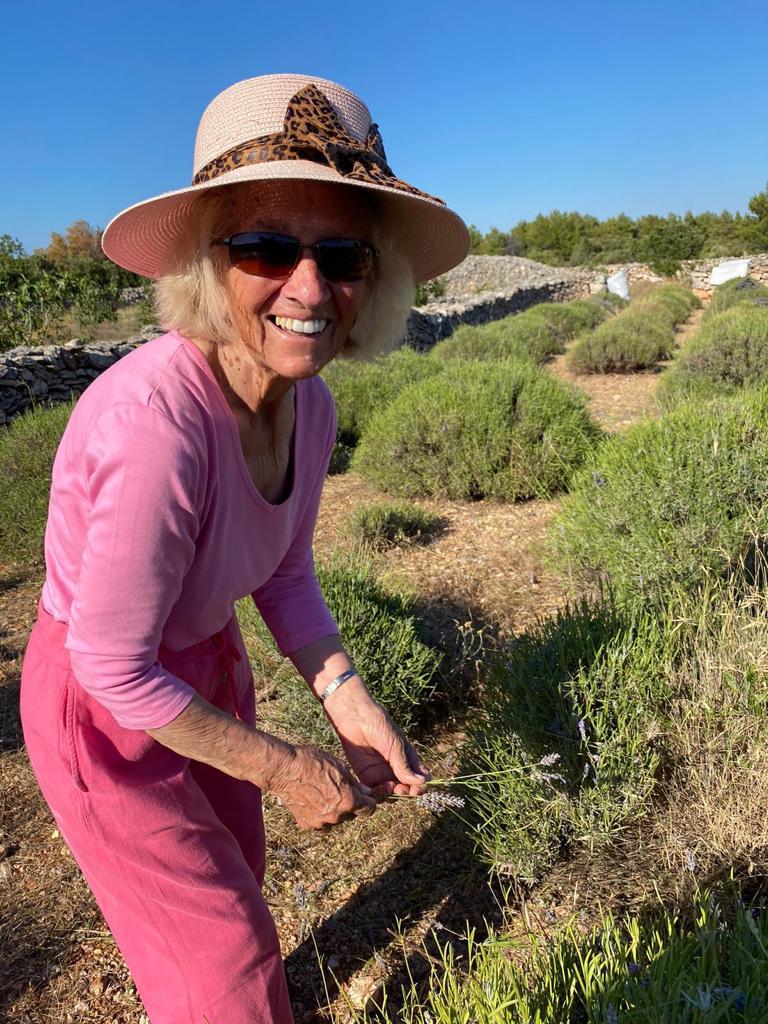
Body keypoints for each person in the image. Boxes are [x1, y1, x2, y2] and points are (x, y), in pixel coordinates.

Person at [20, 73, 469, 1023]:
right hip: (103, 706)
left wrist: (349, 704)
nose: (310, 288)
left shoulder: (309, 406)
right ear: (205, 265)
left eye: (342, 254)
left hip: (203, 667)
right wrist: (282, 765)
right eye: (267, 246)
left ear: (372, 278)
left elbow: (287, 574)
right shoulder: (158, 428)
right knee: (221, 953)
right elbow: (109, 664)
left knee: (235, 887)